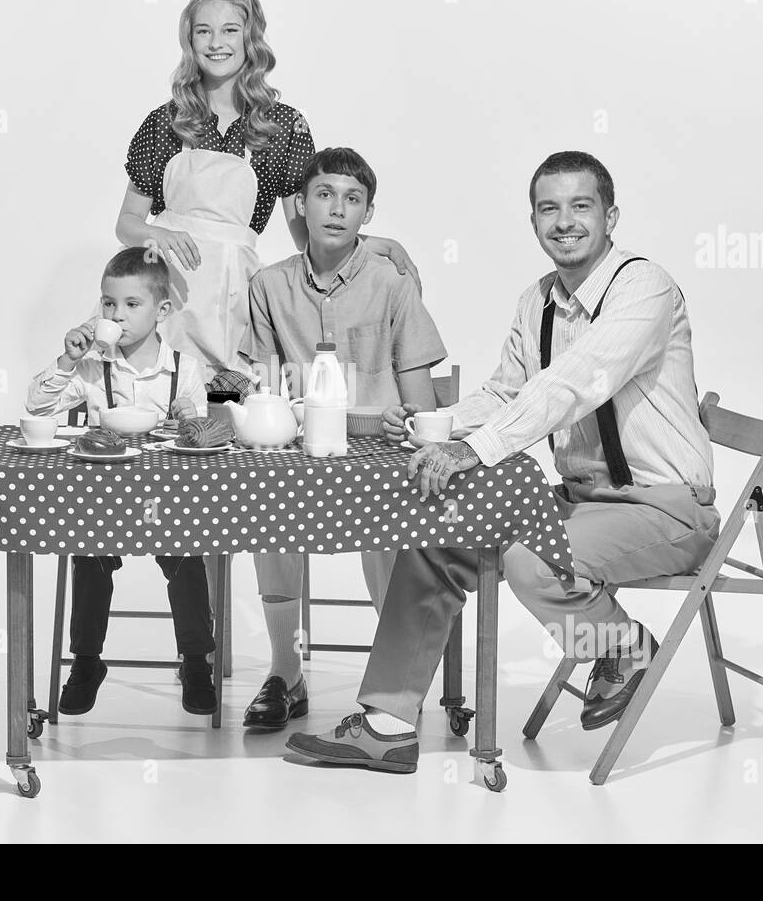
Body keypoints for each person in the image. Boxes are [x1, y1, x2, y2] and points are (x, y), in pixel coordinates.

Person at [287, 151, 720, 773]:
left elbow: (575, 383)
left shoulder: (643, 287)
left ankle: (624, 648)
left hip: (667, 507)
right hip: (580, 503)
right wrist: (428, 426)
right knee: (433, 537)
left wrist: (474, 450)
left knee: (533, 559)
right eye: (550, 208)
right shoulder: (538, 299)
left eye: (581, 206)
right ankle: (386, 725)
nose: (565, 221)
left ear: (611, 215)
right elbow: (506, 394)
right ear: (534, 220)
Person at [75, 0, 418, 382]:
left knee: (223, 411)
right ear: (190, 41)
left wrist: (363, 243)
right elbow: (126, 223)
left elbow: (305, 236)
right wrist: (159, 236)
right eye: (203, 31)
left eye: (229, 30)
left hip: (230, 297)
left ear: (249, 38)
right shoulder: (165, 123)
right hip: (161, 293)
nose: (216, 43)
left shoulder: (283, 127)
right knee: (143, 400)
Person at [237, 147, 448, 729]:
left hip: (379, 457)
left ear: (368, 212)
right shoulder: (269, 285)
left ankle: (392, 684)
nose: (337, 208)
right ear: (300, 204)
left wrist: (403, 426)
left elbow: (417, 402)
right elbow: (263, 390)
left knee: (393, 530)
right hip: (300, 451)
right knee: (267, 509)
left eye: (352, 199)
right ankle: (285, 672)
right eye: (324, 195)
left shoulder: (392, 284)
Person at [25, 246, 216, 715]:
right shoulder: (93, 366)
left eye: (132, 305)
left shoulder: (184, 370)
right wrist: (68, 361)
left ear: (162, 311)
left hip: (168, 500)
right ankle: (87, 662)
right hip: (101, 497)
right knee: (88, 560)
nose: (118, 315)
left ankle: (196, 661)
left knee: (187, 559)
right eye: (109, 304)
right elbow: (36, 406)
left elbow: (201, 434)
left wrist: (189, 419)